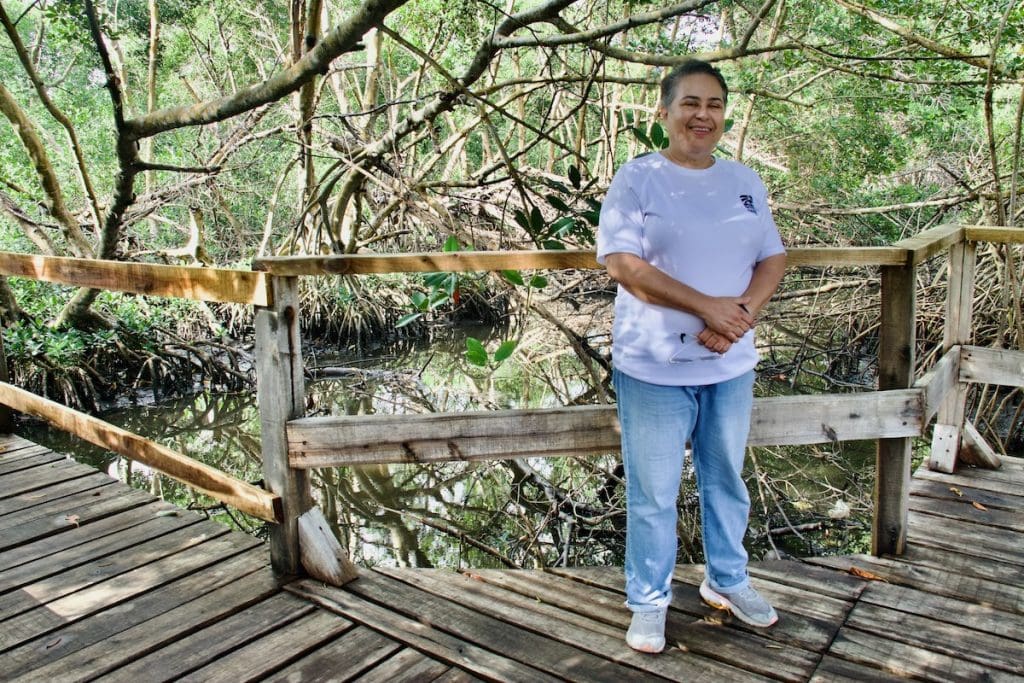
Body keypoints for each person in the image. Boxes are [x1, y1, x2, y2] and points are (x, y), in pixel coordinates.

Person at [596, 59, 787, 654]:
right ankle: (648, 601)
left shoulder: (745, 180)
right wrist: (707, 306)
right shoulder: (637, 178)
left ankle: (727, 580)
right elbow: (623, 266)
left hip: (729, 366)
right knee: (653, 492)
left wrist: (740, 317)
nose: (702, 115)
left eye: (713, 105)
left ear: (723, 116)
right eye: (690, 104)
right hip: (652, 368)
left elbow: (772, 257)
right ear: (665, 112)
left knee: (726, 480)